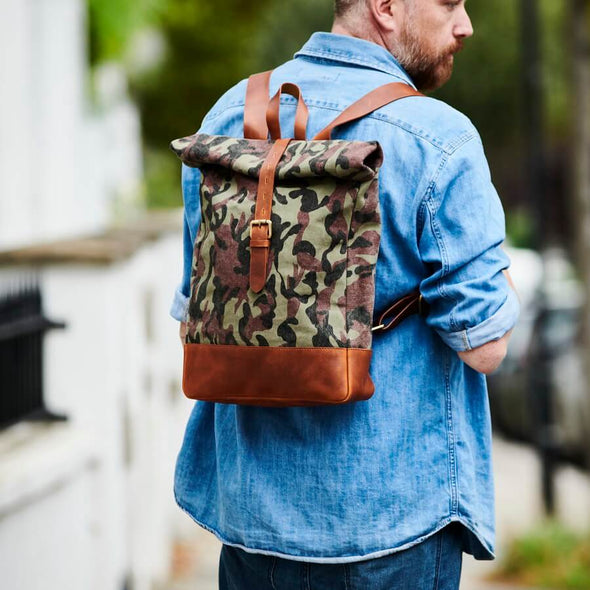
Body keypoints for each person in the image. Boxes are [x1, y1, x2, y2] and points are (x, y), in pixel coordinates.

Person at [170, 0, 520, 588]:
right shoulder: (440, 137)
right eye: (450, 4)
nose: (465, 25)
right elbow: (485, 347)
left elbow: (194, 321)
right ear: (386, 6)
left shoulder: (228, 117)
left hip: (252, 529)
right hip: (391, 528)